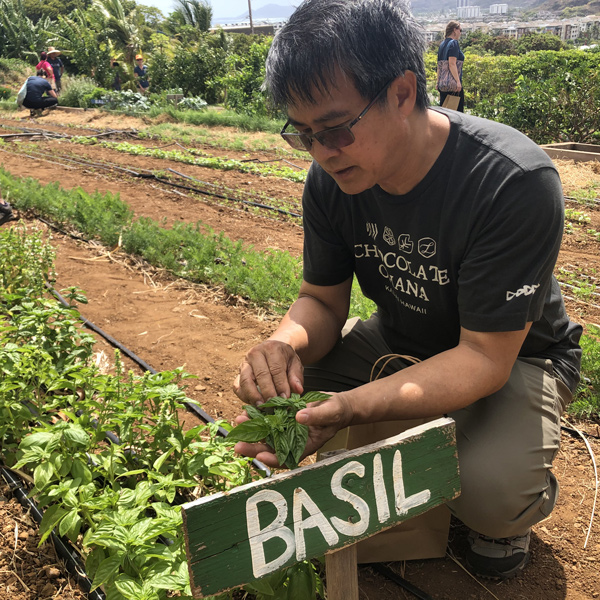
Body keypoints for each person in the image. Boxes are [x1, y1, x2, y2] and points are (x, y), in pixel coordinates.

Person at [232, 0, 582, 583]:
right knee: (287, 402)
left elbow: (483, 358)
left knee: (489, 497)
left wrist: (354, 406)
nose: (321, 151)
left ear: (401, 92)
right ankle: (419, 432)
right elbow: (321, 301)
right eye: (304, 134)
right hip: (403, 336)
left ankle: (517, 489)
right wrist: (282, 345)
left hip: (517, 357)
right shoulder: (331, 180)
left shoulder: (511, 181)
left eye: (337, 128)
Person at [437, 21, 464, 112]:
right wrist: (458, 81)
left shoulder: (442, 44)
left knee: (444, 114)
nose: (460, 32)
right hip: (453, 85)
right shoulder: (454, 43)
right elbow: (452, 63)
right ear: (454, 30)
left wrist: (437, 82)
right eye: (460, 30)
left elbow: (439, 66)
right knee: (457, 116)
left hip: (443, 85)